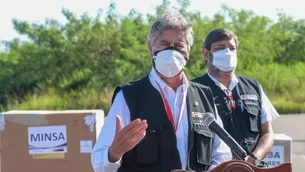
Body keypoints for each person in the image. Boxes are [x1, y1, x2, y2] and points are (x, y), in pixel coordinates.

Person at [91, 11, 232, 172]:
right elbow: (98, 163)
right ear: (151, 47)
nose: (172, 52)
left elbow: (222, 155)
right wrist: (114, 153)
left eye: (179, 45)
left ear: (189, 50)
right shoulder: (129, 96)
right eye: (165, 44)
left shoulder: (204, 96)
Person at [192, 28, 280, 166]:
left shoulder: (253, 87)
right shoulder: (193, 89)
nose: (227, 53)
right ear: (206, 54)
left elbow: (268, 133)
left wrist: (254, 158)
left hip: (252, 168)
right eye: (220, 48)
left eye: (231, 48)